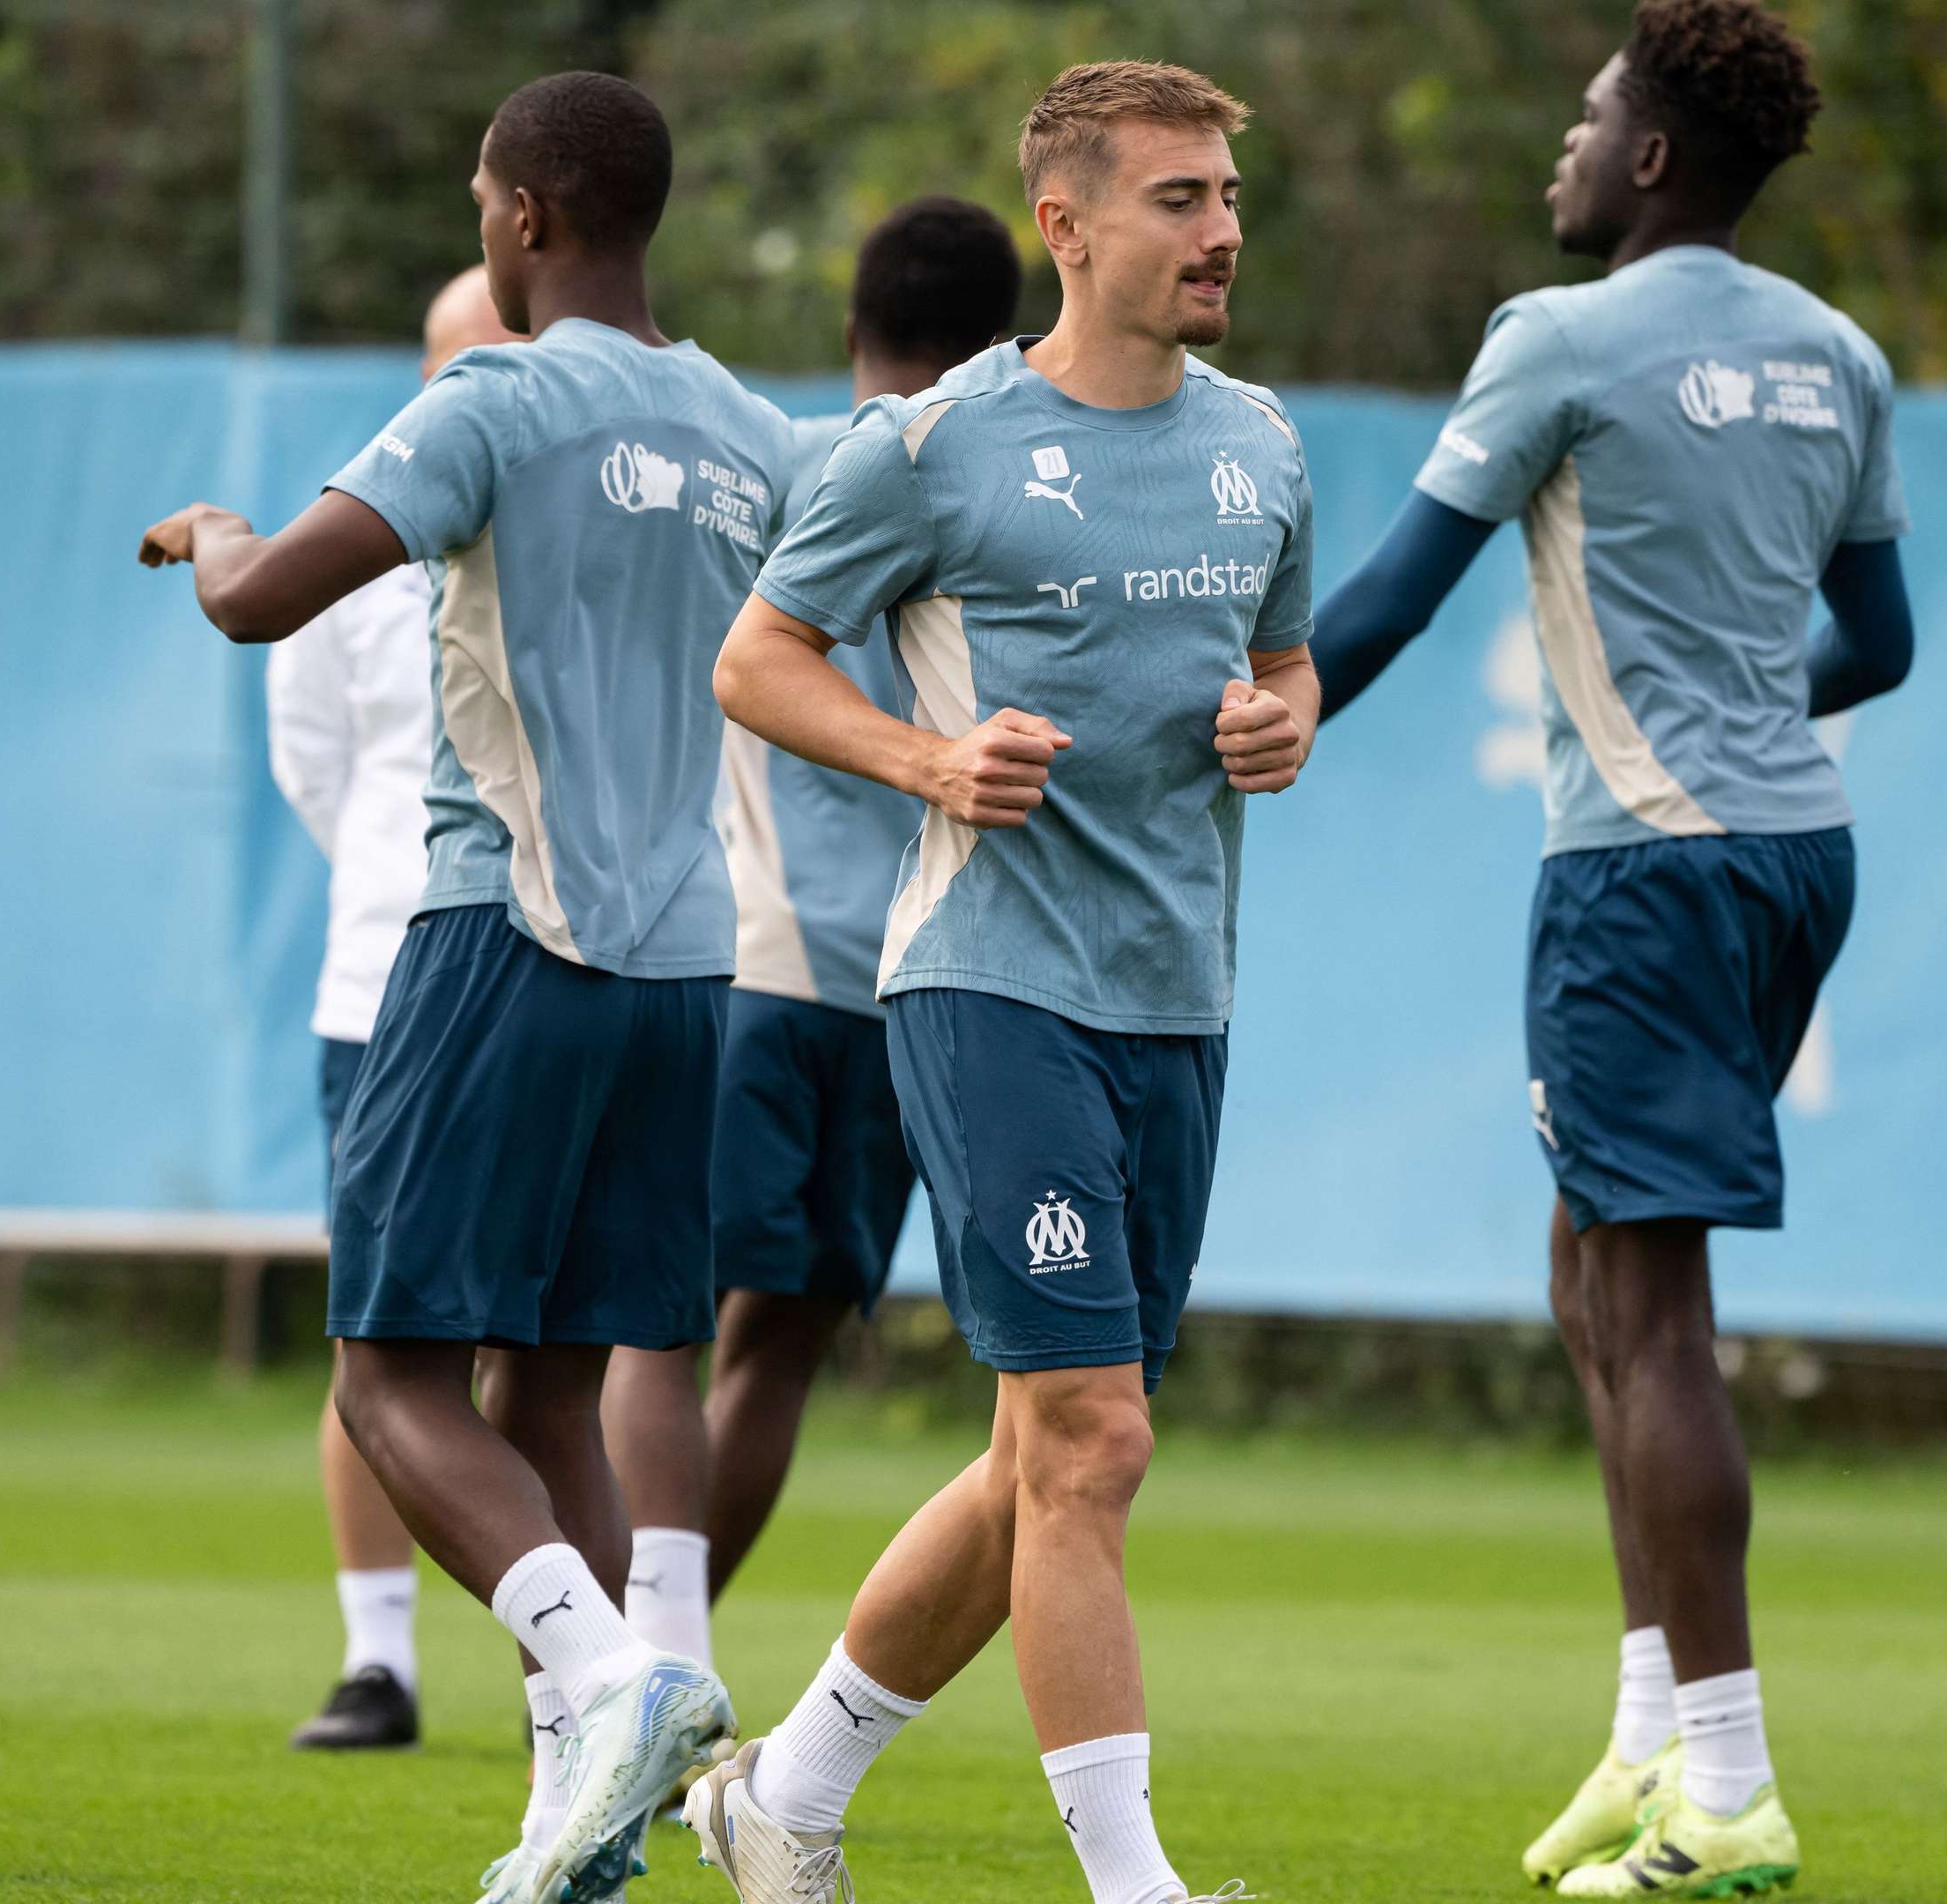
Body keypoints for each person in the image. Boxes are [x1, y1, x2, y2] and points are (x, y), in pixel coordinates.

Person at [137, 70, 793, 1904]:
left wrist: (208, 536)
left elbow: (267, 602)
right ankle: (571, 1819)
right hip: (685, 972)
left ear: (524, 217)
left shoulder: (492, 396)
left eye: (482, 206)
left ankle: (613, 1679)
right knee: (557, 1394)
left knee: (389, 1379)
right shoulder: (752, 429)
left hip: (503, 935)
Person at [678, 61, 1313, 1904]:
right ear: (1069, 225)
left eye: (1223, 199)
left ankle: (783, 1792)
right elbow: (757, 660)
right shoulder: (933, 446)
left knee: (1046, 1450)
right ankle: (1134, 1887)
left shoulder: (1261, 440)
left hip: (1176, 995)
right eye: (1181, 201)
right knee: (1095, 1437)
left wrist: (1284, 723)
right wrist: (923, 760)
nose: (1221, 233)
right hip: (985, 981)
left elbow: (1289, 659)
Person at [1307, 4, 1911, 1893]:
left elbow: (1393, 603)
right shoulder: (1840, 355)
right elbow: (1878, 647)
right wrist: (1748, 718)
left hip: (1644, 865)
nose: (1561, 152)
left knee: (1653, 1319)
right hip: (1797, 849)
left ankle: (1729, 1791)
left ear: (1651, 157)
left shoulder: (1552, 342)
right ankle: (1651, 1738)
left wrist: (1228, 735)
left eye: (1586, 122)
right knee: (1594, 1279)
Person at [598, 196, 1025, 1669]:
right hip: (912, 987)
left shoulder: (804, 463)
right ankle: (662, 1668)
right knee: (772, 1359)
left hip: (758, 968)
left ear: (854, 333)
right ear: (1011, 339)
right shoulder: (1024, 494)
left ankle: (632, 1680)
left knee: (659, 1330)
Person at [267, 263, 522, 1752]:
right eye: (460, 366)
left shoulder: (596, 521)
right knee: (382, 1339)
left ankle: (578, 1669)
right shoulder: (353, 539)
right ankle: (380, 1663)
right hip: (383, 983)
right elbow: (318, 766)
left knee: (554, 1341)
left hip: (555, 971)